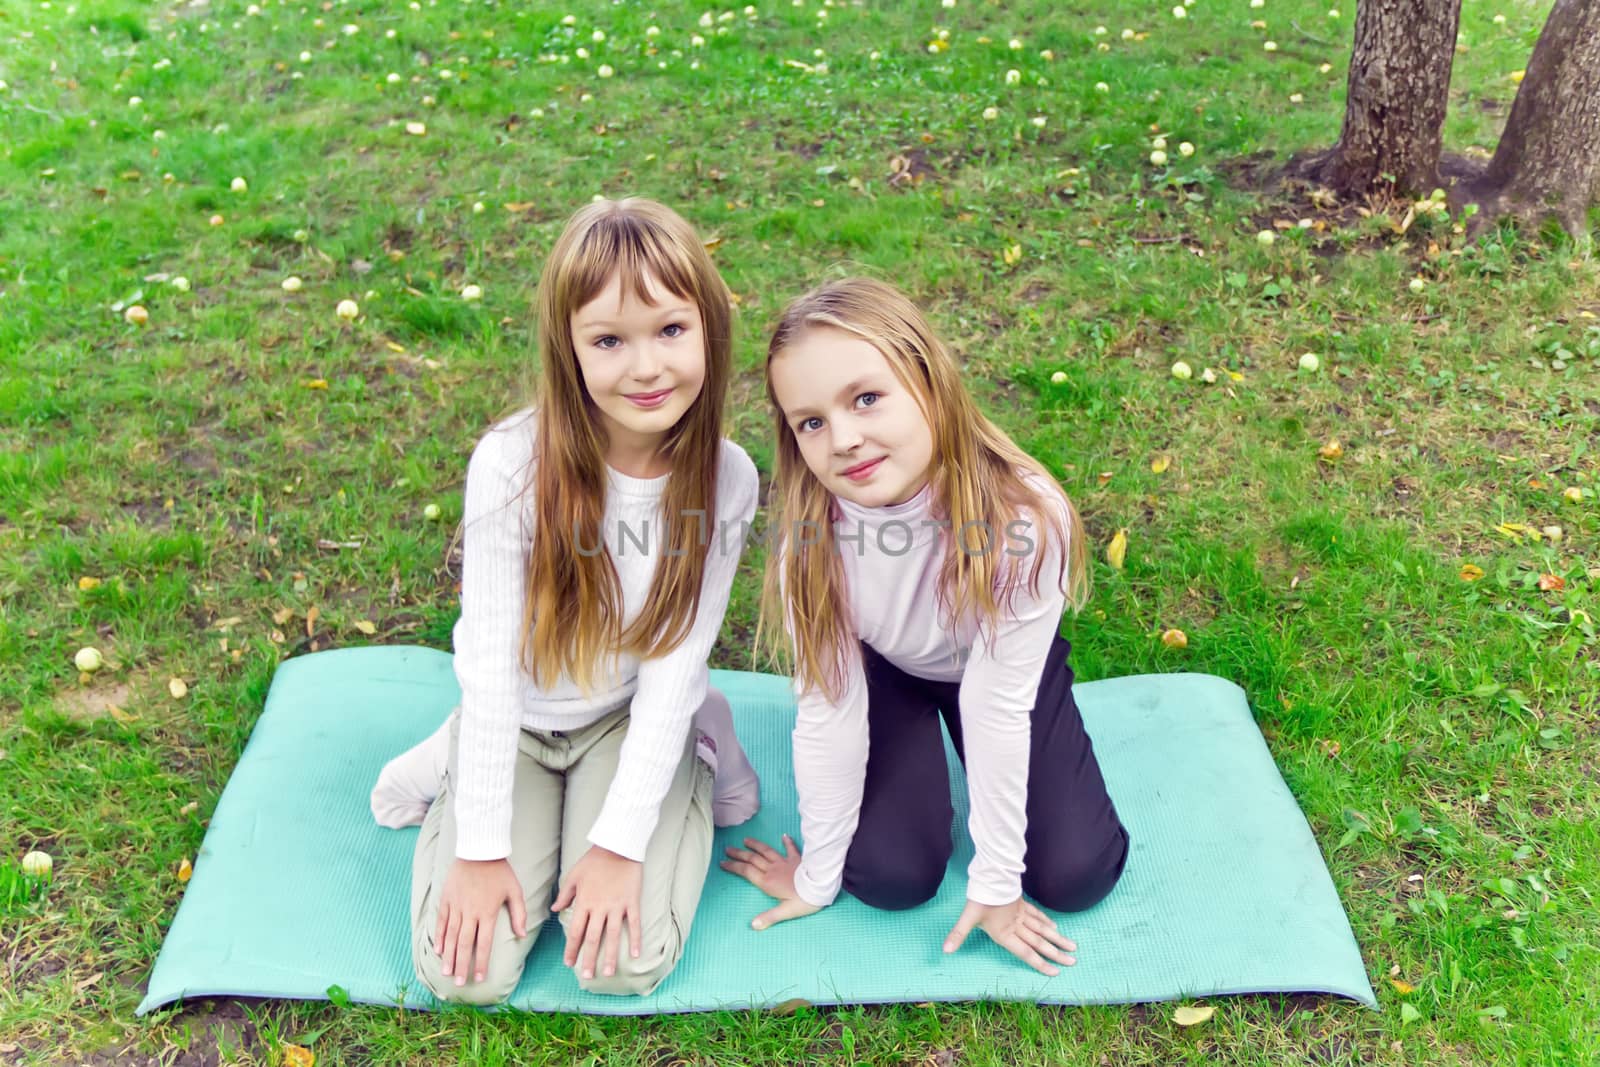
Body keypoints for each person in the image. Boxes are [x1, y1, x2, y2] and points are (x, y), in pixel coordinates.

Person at [371, 198, 760, 1004]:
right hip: (513, 719)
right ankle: (456, 756)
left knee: (623, 964)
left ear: (709, 332)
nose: (646, 367)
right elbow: (488, 665)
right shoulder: (513, 463)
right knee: (463, 977)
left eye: (670, 331)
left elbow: (675, 660)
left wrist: (618, 844)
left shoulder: (726, 477)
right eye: (610, 340)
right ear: (569, 348)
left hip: (628, 714)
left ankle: (702, 742)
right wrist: (479, 851)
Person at [722, 277, 1129, 977]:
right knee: (888, 877)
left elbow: (996, 705)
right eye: (811, 422)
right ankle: (913, 768)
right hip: (889, 669)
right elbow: (828, 711)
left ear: (928, 381)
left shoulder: (1023, 519)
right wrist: (816, 875)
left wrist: (998, 884)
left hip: (1000, 667)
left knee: (1074, 875)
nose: (844, 439)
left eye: (866, 397)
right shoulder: (812, 545)